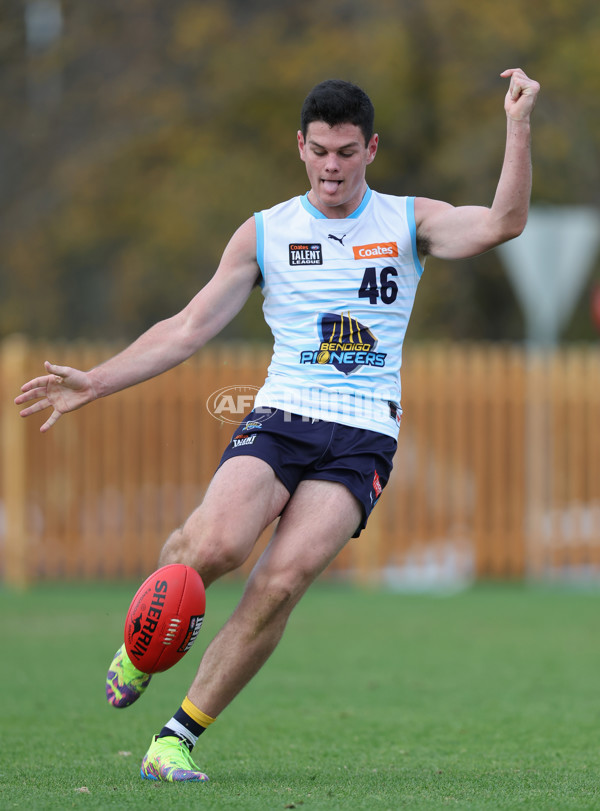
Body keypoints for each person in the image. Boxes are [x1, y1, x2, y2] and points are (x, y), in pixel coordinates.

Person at [15, 68, 540, 783]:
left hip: (362, 437)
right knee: (216, 544)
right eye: (320, 149)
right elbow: (190, 326)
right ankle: (143, 639)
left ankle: (176, 738)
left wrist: (517, 121)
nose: (332, 166)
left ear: (371, 149)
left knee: (281, 583)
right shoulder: (265, 232)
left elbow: (503, 223)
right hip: (282, 416)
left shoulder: (409, 221)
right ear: (300, 146)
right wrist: (97, 380)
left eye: (347, 151)